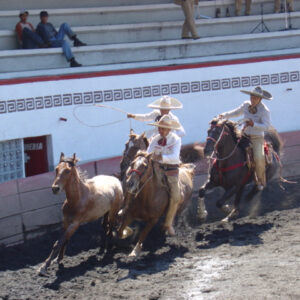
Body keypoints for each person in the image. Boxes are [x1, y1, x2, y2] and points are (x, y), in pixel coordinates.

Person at [219, 86, 272, 191]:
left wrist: (253, 124)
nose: (253, 99)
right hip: (244, 135)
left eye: (256, 97)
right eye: (252, 96)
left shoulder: (265, 110)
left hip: (257, 138)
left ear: (260, 99)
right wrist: (224, 115)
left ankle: (261, 181)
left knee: (259, 157)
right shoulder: (246, 104)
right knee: (231, 149)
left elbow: (266, 126)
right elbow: (235, 112)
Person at [147, 114, 182, 236]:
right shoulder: (155, 139)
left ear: (169, 129)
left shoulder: (176, 140)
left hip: (171, 170)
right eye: (159, 127)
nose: (159, 130)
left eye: (162, 128)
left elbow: (175, 157)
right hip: (155, 168)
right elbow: (148, 153)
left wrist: (159, 157)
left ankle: (168, 223)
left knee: (176, 196)